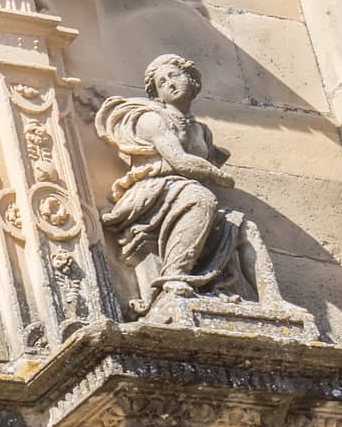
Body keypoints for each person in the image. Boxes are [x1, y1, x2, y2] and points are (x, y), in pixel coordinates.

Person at [94, 54, 250, 314]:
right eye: (162, 81)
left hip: (182, 188)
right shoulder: (152, 118)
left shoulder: (202, 131)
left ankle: (272, 297)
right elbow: (180, 161)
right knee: (201, 198)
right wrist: (217, 174)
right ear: (156, 95)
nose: (170, 83)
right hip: (154, 188)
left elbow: (203, 160)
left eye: (174, 76)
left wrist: (210, 168)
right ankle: (173, 277)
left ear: (191, 79)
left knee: (245, 226)